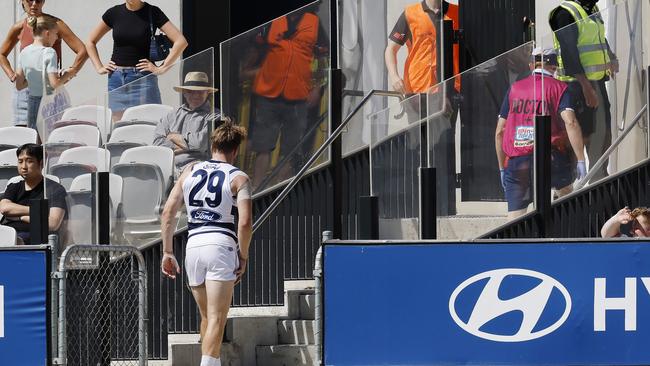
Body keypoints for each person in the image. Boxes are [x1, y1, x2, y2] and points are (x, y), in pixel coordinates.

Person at [160, 122, 252, 366]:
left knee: (206, 317)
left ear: (212, 146)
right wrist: (243, 255)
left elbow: (168, 212)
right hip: (220, 244)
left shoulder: (190, 170)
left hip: (193, 244)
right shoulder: (239, 177)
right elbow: (244, 223)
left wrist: (167, 251)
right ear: (235, 151)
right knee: (217, 318)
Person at [494, 48, 586, 219]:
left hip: (517, 161)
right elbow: (570, 122)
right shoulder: (560, 88)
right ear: (553, 67)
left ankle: (517, 245)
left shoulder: (514, 89)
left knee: (515, 219)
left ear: (531, 65)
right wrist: (581, 158)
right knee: (566, 198)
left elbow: (500, 132)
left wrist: (501, 168)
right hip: (550, 158)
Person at [247, 7, 325, 189]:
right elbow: (254, 49)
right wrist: (247, 72)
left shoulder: (315, 22)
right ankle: (258, 190)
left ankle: (278, 188)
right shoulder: (272, 20)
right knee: (263, 146)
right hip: (268, 93)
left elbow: (324, 58)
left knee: (290, 149)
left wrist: (319, 87)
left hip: (298, 95)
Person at [549, 0, 618, 181]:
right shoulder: (564, 13)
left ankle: (599, 178)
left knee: (602, 135)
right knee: (580, 138)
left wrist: (611, 57)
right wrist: (586, 87)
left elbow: (599, 38)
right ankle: (570, 188)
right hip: (575, 86)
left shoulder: (592, 9)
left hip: (597, 83)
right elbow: (569, 52)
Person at [85, 0, 188, 121]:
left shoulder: (153, 12)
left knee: (151, 122)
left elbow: (181, 41)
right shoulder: (114, 13)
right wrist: (99, 67)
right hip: (117, 79)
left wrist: (161, 68)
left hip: (143, 78)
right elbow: (90, 42)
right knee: (120, 126)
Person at [0, 0, 87, 127]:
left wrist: (71, 71)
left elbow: (82, 50)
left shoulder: (55, 24)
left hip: (48, 89)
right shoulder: (19, 27)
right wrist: (11, 75)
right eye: (30, 0)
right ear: (22, 1)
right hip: (26, 91)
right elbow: (2, 54)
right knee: (26, 135)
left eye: (39, 0)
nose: (34, 4)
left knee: (49, 134)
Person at [384, 0, 460, 94]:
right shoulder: (410, 13)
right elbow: (391, 49)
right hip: (417, 87)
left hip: (451, 87)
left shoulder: (458, 12)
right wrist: (394, 76)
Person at [14, 15, 75, 130]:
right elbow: (54, 84)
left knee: (34, 136)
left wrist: (35, 78)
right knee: (49, 137)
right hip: (48, 102)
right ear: (47, 33)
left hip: (32, 102)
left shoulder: (24, 52)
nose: (57, 37)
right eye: (56, 34)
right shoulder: (49, 52)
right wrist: (68, 74)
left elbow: (19, 85)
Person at [153, 71, 221, 172]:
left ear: (207, 93)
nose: (195, 95)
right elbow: (157, 143)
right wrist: (188, 146)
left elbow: (201, 143)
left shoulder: (215, 116)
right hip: (168, 167)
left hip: (198, 169)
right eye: (190, 91)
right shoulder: (172, 115)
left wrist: (173, 137)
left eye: (200, 91)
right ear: (184, 93)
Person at [0, 143, 67, 244]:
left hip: (35, 238)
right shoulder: (14, 186)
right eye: (20, 161)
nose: (24, 167)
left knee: (16, 240)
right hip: (9, 233)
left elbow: (53, 223)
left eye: (29, 161)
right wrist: (39, 211)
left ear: (41, 163)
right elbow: (5, 208)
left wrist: (20, 217)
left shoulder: (55, 189)